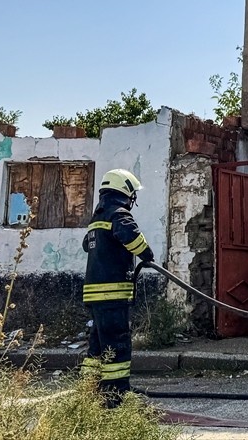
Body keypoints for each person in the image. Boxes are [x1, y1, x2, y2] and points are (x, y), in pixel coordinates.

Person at [81, 168, 154, 406]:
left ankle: (89, 390)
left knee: (98, 345)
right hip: (112, 294)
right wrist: (147, 254)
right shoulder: (119, 214)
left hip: (94, 295)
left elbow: (86, 246)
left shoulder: (96, 220)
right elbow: (131, 237)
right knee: (117, 346)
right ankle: (116, 396)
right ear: (125, 191)